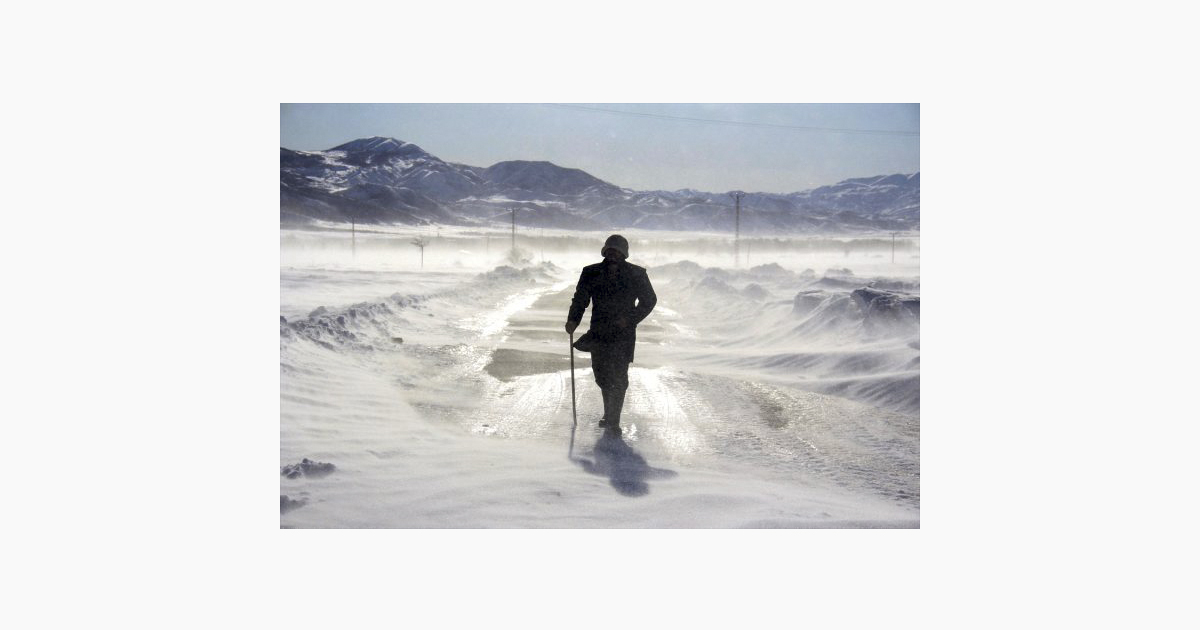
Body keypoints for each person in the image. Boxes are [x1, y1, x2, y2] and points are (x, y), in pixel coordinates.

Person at [566, 234, 657, 432]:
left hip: (623, 335)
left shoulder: (636, 274)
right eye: (610, 250)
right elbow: (580, 299)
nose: (613, 254)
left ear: (624, 254)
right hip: (599, 332)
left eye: (617, 251)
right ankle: (609, 413)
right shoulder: (591, 272)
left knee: (619, 377)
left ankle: (613, 420)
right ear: (604, 251)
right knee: (601, 376)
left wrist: (630, 319)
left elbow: (649, 300)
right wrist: (573, 319)